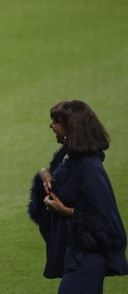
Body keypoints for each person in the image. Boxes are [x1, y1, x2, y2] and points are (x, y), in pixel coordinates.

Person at [28, 100, 128, 293]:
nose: (52, 127)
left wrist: (65, 210)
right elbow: (56, 187)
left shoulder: (89, 166)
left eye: (56, 122)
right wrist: (44, 173)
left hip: (88, 255)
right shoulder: (69, 156)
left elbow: (108, 224)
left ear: (71, 127)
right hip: (74, 250)